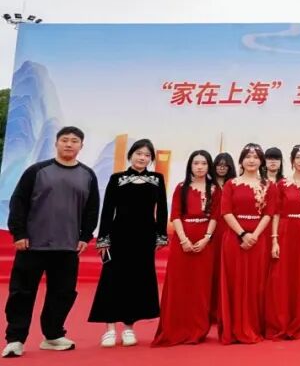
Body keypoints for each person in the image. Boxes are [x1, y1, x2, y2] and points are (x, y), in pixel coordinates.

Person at [3, 126, 100, 357]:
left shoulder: (87, 175)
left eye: (74, 140)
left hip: (67, 247)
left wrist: (85, 236)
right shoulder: (37, 171)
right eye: (64, 140)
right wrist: (19, 233)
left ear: (81, 146)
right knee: (22, 293)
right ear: (56, 143)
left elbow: (92, 208)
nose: (69, 144)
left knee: (63, 293)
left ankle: (53, 335)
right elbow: (18, 201)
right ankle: (15, 339)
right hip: (32, 245)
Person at [89, 138, 169, 347]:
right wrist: (103, 238)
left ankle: (128, 327)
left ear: (151, 159)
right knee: (112, 279)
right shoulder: (117, 179)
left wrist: (161, 235)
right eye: (138, 153)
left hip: (145, 237)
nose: (142, 158)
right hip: (119, 235)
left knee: (137, 280)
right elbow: (108, 210)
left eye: (147, 155)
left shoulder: (157, 179)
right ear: (130, 155)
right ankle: (109, 328)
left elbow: (162, 209)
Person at [153, 150, 220, 346]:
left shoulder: (215, 189)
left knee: (201, 287)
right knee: (180, 285)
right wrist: (183, 240)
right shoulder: (181, 187)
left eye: (204, 163)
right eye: (196, 163)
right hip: (183, 241)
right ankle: (176, 327)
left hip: (205, 242)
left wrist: (207, 238)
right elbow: (175, 215)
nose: (200, 167)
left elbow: (216, 216)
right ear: (190, 165)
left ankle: (198, 329)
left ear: (209, 166)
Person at [218, 143, 278, 344]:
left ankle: (252, 326)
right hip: (234, 239)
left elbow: (269, 213)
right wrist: (243, 234)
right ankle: (233, 328)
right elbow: (226, 212)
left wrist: (254, 235)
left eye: (256, 157)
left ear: (261, 162)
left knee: (256, 284)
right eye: (248, 157)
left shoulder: (269, 186)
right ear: (241, 160)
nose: (251, 160)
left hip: (258, 240)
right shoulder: (231, 184)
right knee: (234, 283)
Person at [265, 144, 300, 341]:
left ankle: (299, 323)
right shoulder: (281, 184)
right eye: (298, 157)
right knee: (281, 278)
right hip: (285, 232)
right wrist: (274, 240)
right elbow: (276, 214)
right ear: (292, 161)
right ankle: (280, 322)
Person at [208, 152, 235, 327]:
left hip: (229, 228)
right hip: (211, 229)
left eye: (225, 165)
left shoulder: (234, 184)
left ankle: (223, 310)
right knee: (211, 269)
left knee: (226, 270)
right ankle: (209, 310)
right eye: (219, 164)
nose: (222, 168)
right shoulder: (207, 185)